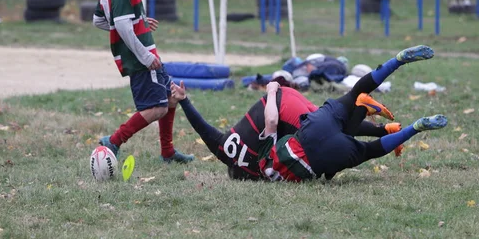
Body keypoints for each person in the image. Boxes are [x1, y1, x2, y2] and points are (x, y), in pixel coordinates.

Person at [257, 45, 448, 182]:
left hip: (326, 158)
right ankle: (396, 62)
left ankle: (415, 128)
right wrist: (272, 90)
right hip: (313, 129)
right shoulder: (265, 157)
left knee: (370, 150)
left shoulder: (265, 170)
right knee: (352, 95)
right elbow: (272, 120)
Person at [169, 82, 400, 180]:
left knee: (328, 137)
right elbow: (202, 129)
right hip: (285, 101)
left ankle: (362, 107)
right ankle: (385, 130)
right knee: (327, 125)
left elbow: (270, 123)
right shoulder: (223, 149)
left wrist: (270, 91)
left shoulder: (261, 165)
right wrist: (184, 100)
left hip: (279, 107)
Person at [90, 0, 193, 163]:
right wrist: (145, 56)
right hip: (142, 57)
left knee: (171, 97)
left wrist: (140, 22)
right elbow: (121, 25)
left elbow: (99, 20)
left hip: (145, 54)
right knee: (157, 108)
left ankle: (168, 152)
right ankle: (114, 141)